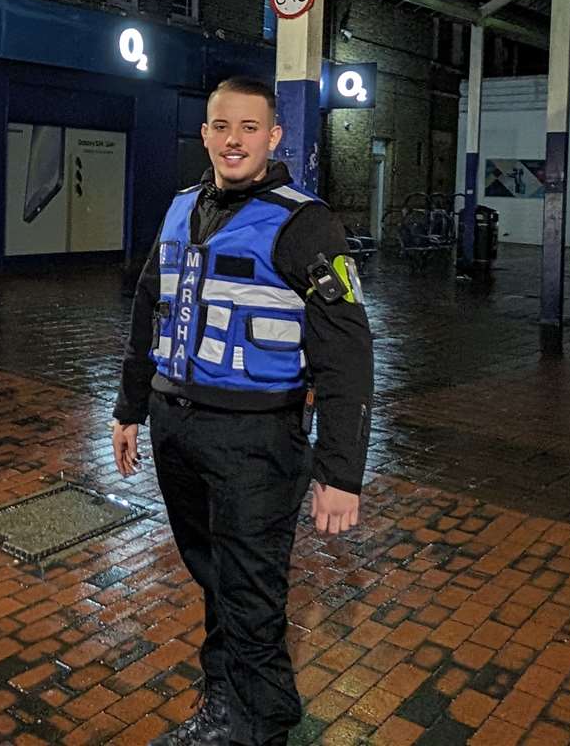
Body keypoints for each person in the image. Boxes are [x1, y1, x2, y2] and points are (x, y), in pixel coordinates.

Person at [112, 75, 374, 746]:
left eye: (249, 128)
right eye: (221, 127)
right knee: (216, 579)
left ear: (273, 136)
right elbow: (149, 308)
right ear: (205, 134)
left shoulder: (304, 222)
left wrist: (341, 472)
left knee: (250, 595)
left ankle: (254, 726)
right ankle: (239, 708)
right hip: (178, 429)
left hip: (256, 440)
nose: (234, 141)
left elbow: (346, 350)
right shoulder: (179, 209)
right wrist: (129, 407)